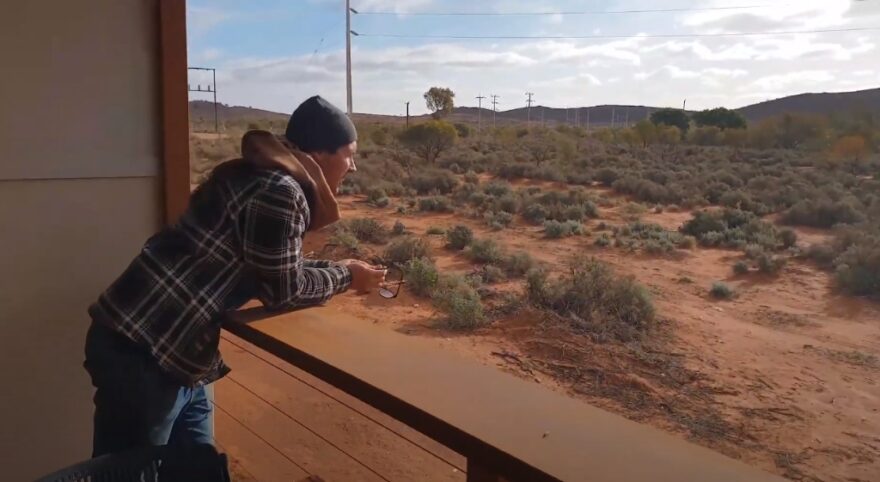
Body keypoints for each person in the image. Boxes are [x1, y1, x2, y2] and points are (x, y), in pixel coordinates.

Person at [84, 95, 385, 457]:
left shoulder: (259, 177)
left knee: (199, 469)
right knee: (132, 473)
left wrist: (340, 269)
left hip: (175, 353)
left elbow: (273, 267)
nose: (352, 166)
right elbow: (283, 291)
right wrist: (347, 278)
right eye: (349, 153)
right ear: (321, 154)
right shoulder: (281, 192)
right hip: (147, 352)